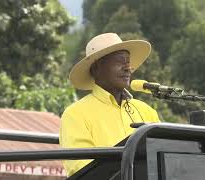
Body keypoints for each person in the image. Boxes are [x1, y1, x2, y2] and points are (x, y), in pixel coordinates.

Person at [59, 33, 160, 176]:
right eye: (120, 61)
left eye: (128, 62)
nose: (128, 68)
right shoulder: (75, 114)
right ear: (96, 69)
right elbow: (82, 170)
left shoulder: (147, 111)